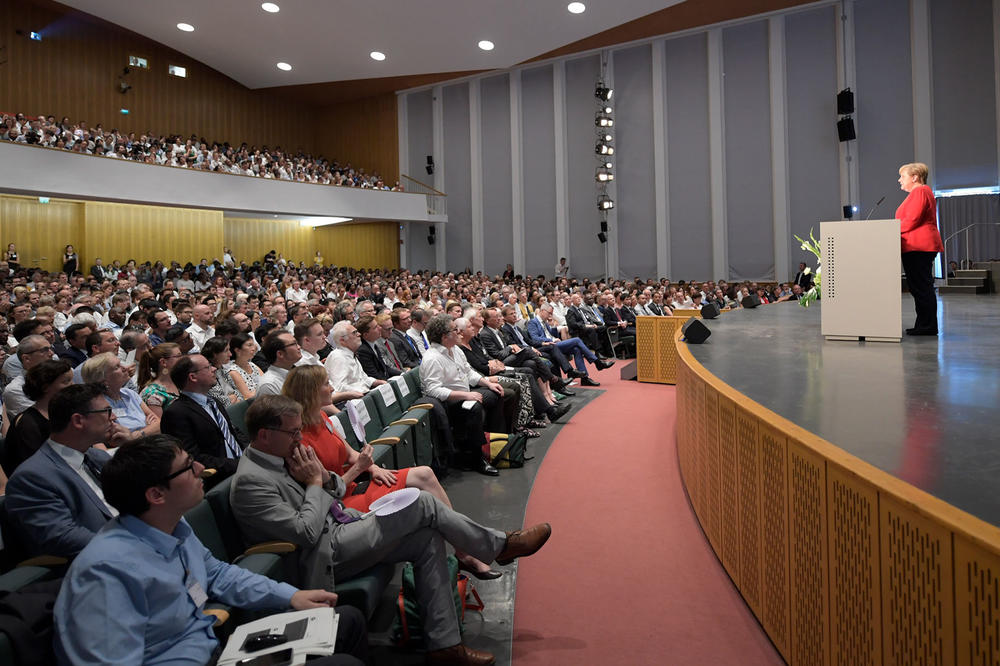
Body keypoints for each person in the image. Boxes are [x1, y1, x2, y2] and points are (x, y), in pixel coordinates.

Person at [230, 395, 552, 666]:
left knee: (427, 539)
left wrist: (321, 477)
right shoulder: (251, 482)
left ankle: (444, 645)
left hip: (341, 529)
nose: (300, 439)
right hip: (321, 556)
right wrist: (315, 483)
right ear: (264, 435)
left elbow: (338, 488)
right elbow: (306, 533)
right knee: (423, 504)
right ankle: (499, 546)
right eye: (293, 433)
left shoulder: (284, 454)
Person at [53, 435, 369, 666]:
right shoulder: (105, 572)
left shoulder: (173, 525)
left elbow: (218, 573)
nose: (202, 469)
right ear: (156, 494)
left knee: (346, 621)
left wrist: (289, 596)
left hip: (221, 650)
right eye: (188, 468)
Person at [282, 365, 501, 579]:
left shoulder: (322, 417)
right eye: (326, 384)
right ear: (310, 392)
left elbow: (349, 454)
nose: (332, 389)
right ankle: (472, 550)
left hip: (352, 486)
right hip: (341, 507)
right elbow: (327, 492)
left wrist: (374, 467)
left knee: (424, 473)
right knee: (424, 501)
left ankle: (463, 551)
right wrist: (360, 468)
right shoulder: (300, 440)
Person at [4, 383, 119, 558]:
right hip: (97, 564)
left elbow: (141, 496)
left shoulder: (98, 457)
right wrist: (129, 545)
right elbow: (63, 538)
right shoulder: (32, 478)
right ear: (78, 421)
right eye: (107, 411)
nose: (114, 417)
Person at [421, 314, 506, 476]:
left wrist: (487, 383)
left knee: (495, 392)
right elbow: (433, 390)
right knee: (474, 407)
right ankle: (477, 458)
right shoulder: (432, 358)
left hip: (464, 395)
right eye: (455, 330)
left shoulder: (455, 350)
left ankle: (495, 443)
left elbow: (469, 373)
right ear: (445, 336)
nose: (459, 332)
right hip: (448, 403)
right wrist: (465, 395)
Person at [161, 354, 249, 485]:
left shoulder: (214, 402)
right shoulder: (176, 413)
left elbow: (233, 432)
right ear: (193, 377)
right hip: (222, 479)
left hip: (243, 466)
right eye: (208, 367)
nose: (214, 369)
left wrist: (253, 452)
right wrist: (240, 464)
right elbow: (193, 458)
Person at [896, 162, 944, 336]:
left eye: (903, 176)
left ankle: (928, 326)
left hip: (919, 245)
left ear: (915, 177)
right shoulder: (918, 192)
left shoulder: (921, 191)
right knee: (918, 287)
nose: (899, 180)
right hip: (914, 246)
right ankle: (923, 324)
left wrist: (891, 230)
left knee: (922, 286)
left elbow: (912, 219)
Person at [2, 358, 73, 474]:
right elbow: (38, 467)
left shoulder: (65, 411)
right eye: (66, 382)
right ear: (45, 387)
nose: (73, 385)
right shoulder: (27, 423)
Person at [137, 342, 183, 418]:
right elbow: (158, 427)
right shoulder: (153, 394)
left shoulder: (180, 382)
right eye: (178, 356)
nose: (183, 359)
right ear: (163, 362)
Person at [202, 335, 240, 404]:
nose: (230, 354)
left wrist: (234, 398)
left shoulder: (222, 368)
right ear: (214, 354)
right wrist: (232, 398)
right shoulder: (207, 374)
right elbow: (220, 403)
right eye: (226, 351)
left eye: (229, 350)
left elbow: (238, 393)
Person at [227, 332, 264, 399]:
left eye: (253, 344)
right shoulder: (233, 372)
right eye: (249, 345)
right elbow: (248, 396)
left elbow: (266, 382)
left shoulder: (252, 365)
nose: (254, 348)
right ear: (237, 350)